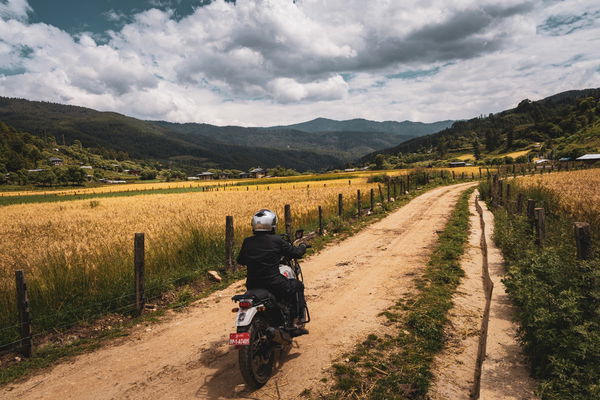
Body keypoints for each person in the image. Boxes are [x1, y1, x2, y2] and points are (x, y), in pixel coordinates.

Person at [236, 209, 309, 336]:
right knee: (297, 286)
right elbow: (296, 253)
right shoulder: (277, 240)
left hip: (252, 285)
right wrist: (302, 246)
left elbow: (241, 260)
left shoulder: (247, 241)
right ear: (272, 225)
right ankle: (296, 322)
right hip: (274, 283)